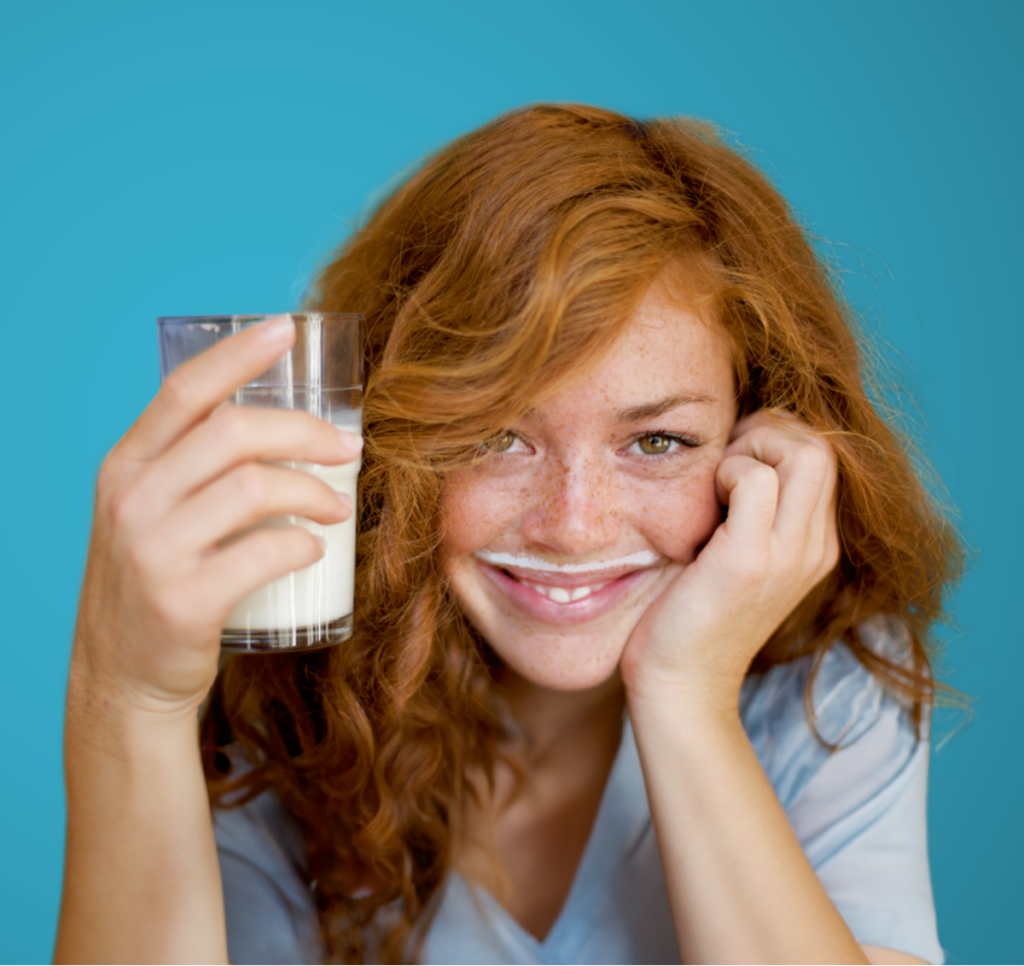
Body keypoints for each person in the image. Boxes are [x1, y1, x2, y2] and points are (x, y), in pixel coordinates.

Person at [54, 104, 962, 966]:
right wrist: (125, 702)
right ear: (392, 437)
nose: (573, 526)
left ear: (759, 445)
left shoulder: (823, 690)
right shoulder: (286, 700)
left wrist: (686, 696)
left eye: (657, 442)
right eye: (496, 437)